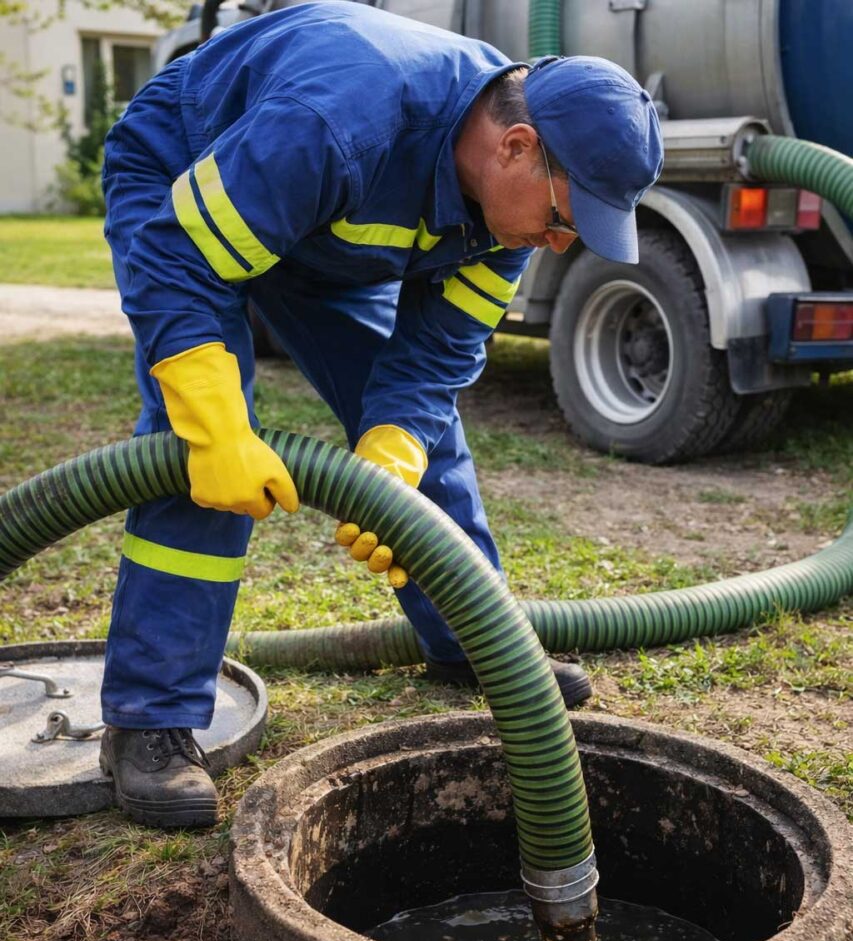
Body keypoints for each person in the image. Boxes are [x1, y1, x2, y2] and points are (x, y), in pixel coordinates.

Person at [97, 0, 663, 828]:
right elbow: (182, 263)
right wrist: (219, 426)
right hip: (190, 175)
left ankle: (473, 640)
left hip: (316, 234)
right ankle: (149, 722)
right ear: (516, 147)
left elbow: (433, 357)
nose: (555, 245)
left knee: (423, 450)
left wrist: (390, 449)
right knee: (202, 455)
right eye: (559, 219)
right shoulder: (342, 116)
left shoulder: (506, 199)